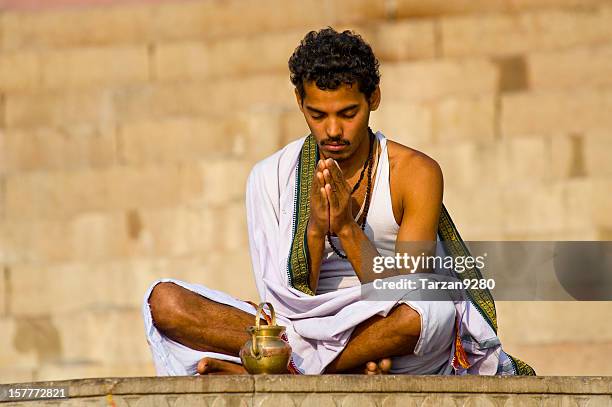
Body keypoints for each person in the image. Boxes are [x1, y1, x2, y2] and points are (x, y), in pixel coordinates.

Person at [142, 27, 535, 376]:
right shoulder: (271, 176)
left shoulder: (416, 173)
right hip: (301, 327)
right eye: (317, 114)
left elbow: (406, 285)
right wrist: (314, 228)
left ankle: (282, 365)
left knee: (432, 312)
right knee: (165, 302)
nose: (333, 130)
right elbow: (283, 296)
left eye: (348, 113)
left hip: (383, 324)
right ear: (300, 102)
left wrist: (346, 229)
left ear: (374, 99)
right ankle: (318, 362)